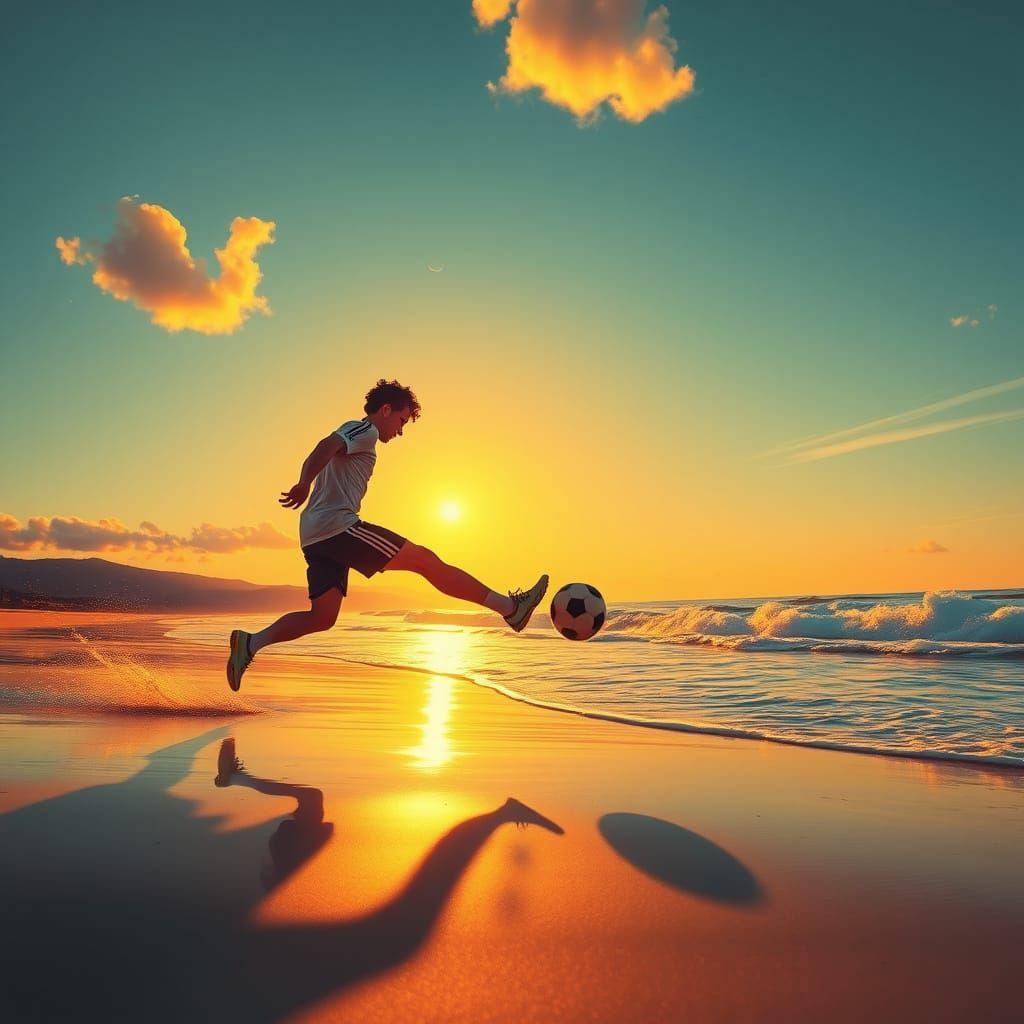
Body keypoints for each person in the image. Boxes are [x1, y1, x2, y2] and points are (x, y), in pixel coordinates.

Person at [227, 378, 548, 690]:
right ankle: (510, 608)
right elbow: (325, 445)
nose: (401, 430)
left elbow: (328, 449)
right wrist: (304, 482)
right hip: (336, 527)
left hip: (314, 536)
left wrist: (307, 483)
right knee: (424, 560)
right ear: (385, 410)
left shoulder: (360, 437)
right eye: (401, 420)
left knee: (322, 617)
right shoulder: (364, 430)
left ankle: (250, 643)